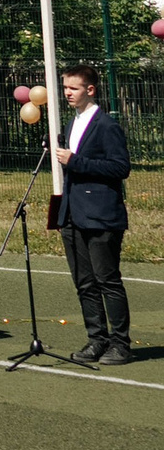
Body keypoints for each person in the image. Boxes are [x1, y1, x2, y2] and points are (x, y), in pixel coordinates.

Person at [54, 63, 133, 365]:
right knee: (84, 282)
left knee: (107, 280)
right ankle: (96, 339)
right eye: (65, 88)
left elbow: (119, 167)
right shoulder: (71, 123)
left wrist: (77, 162)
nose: (68, 93)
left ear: (90, 89)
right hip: (73, 215)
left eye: (73, 88)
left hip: (101, 216)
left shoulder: (106, 125)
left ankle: (121, 343)